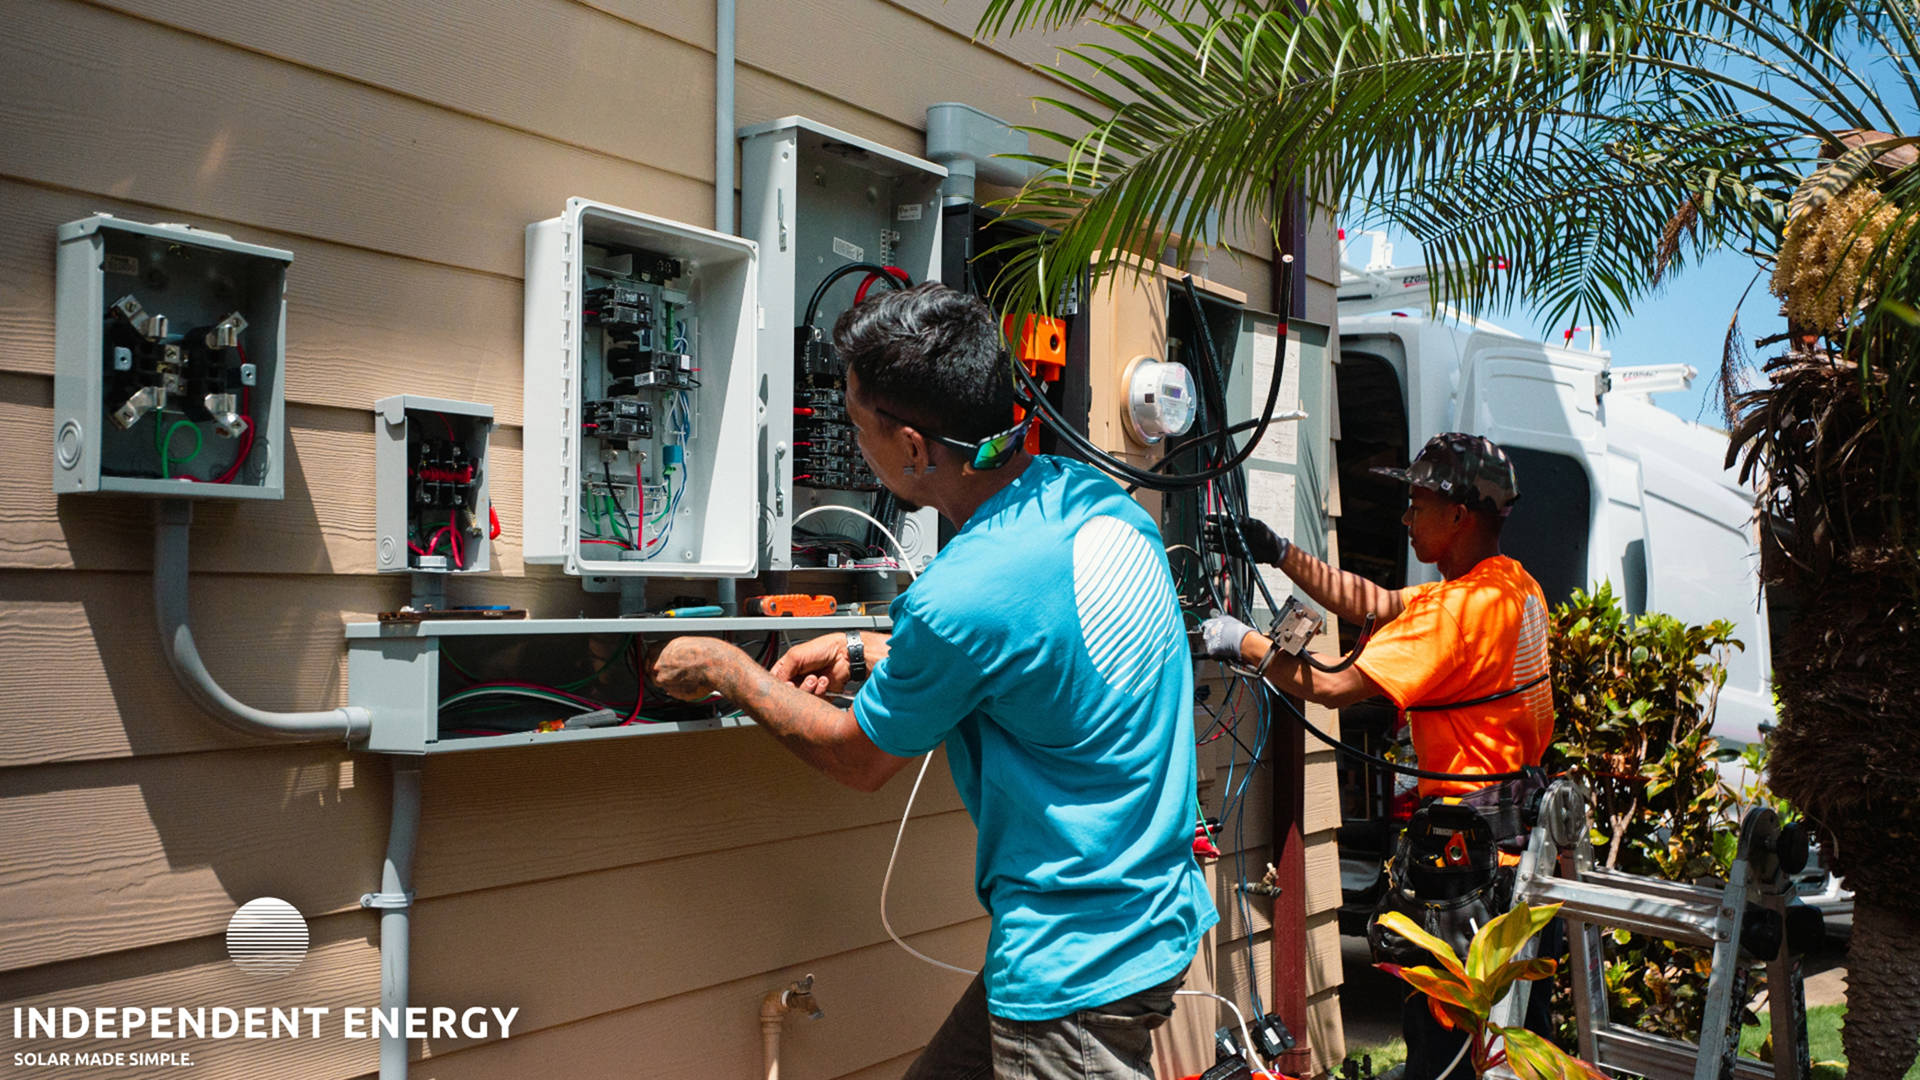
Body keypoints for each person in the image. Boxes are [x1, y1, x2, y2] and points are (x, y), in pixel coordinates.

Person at [649, 282, 1217, 1079]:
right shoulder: (1092, 500)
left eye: (858, 427)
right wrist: (866, 651)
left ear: (914, 448)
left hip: (1073, 967)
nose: (857, 444)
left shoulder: (963, 594)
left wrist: (726, 669)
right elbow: (1046, 657)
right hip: (1148, 913)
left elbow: (858, 757)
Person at [1198, 433, 1554, 1080]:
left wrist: (1241, 642)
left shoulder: (1456, 613)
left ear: (1459, 514)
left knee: (1445, 1050)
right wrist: (1279, 552)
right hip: (1514, 842)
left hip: (1466, 867)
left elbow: (1332, 686)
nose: (1405, 517)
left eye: (1417, 504)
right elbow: (1378, 603)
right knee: (1515, 1045)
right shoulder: (1509, 584)